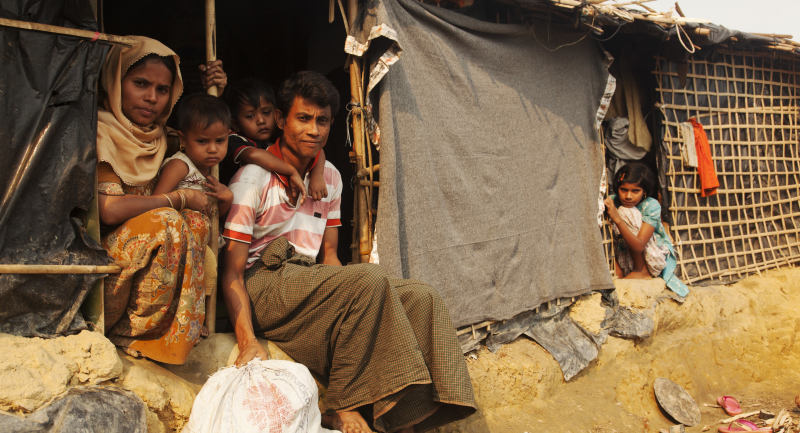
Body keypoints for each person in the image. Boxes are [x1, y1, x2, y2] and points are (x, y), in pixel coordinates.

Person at [221, 71, 476, 433]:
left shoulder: (333, 179)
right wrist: (247, 341)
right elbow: (231, 271)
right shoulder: (253, 177)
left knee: (421, 296)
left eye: (322, 121)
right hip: (263, 282)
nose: (314, 130)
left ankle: (409, 416)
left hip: (307, 283)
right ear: (281, 120)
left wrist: (349, 293)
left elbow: (330, 258)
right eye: (303, 118)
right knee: (368, 278)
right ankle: (340, 405)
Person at [96, 36, 227, 364]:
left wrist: (216, 90)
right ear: (116, 81)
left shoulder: (161, 137)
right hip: (104, 264)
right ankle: (126, 330)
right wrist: (178, 197)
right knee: (168, 221)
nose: (151, 98)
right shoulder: (100, 132)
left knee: (196, 222)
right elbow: (109, 210)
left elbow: (204, 130)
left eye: (162, 90)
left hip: (149, 251)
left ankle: (167, 336)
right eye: (140, 84)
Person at [220, 77, 328, 203]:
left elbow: (315, 148)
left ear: (277, 115)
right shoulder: (233, 140)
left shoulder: (280, 134)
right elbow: (254, 154)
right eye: (250, 116)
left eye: (266, 112)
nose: (261, 121)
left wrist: (317, 175)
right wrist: (291, 171)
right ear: (235, 124)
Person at [603, 162, 689, 297]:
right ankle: (621, 270)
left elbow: (639, 245)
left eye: (635, 191)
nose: (628, 196)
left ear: (644, 192)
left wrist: (618, 218)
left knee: (626, 211)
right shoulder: (614, 200)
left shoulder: (651, 205)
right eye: (623, 190)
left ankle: (641, 270)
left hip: (651, 254)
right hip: (625, 251)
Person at [153, 93, 233, 220]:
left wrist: (227, 200)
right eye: (202, 141)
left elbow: (213, 218)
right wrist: (184, 199)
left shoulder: (212, 171)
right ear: (183, 139)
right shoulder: (180, 166)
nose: (212, 149)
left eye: (219, 141)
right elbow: (154, 205)